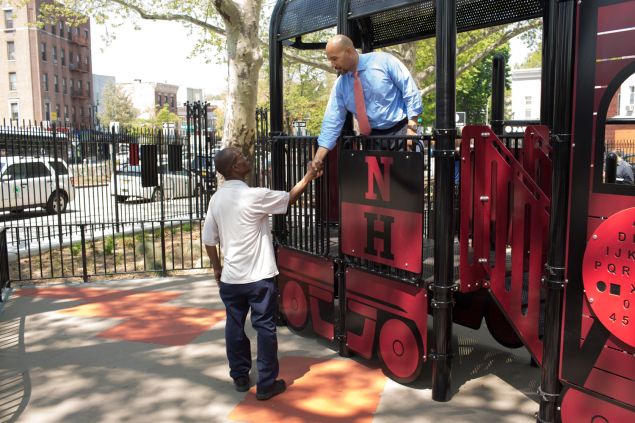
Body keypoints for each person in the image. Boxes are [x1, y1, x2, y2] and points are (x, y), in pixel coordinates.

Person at [202, 147, 317, 400]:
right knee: (265, 328)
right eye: (241, 157)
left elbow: (209, 239)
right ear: (234, 167)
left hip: (231, 279)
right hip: (259, 277)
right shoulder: (254, 196)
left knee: (234, 325)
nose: (246, 158)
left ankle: (240, 375)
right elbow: (289, 199)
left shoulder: (216, 199)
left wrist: (216, 267)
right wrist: (308, 177)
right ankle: (266, 383)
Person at [310, 34, 423, 172]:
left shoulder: (383, 61)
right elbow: (331, 123)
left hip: (400, 132)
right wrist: (318, 157)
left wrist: (412, 129)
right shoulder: (340, 86)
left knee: (406, 186)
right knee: (376, 190)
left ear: (349, 52)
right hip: (371, 139)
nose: (333, 65)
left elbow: (410, 91)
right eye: (330, 60)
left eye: (334, 59)